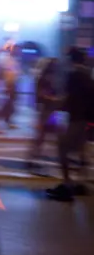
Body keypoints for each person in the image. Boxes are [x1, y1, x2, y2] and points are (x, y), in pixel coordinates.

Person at [46, 47, 92, 201]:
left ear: (71, 60)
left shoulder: (74, 75)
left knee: (62, 150)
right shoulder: (87, 75)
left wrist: (55, 106)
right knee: (80, 151)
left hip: (75, 118)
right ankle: (81, 183)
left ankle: (67, 186)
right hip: (85, 119)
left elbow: (69, 97)